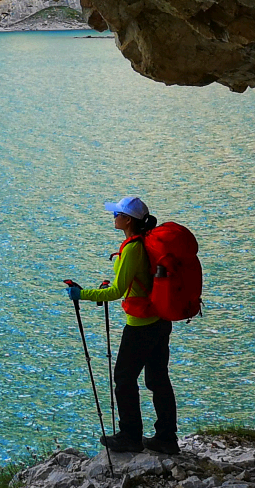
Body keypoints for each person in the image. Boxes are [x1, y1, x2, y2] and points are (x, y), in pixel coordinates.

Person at [68, 195, 178, 455]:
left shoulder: (132, 248)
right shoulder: (145, 243)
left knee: (124, 378)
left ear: (128, 220)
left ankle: (131, 435)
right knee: (158, 379)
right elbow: (131, 282)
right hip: (160, 321)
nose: (113, 217)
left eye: (117, 213)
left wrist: (82, 294)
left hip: (141, 326)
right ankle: (166, 438)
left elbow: (117, 292)